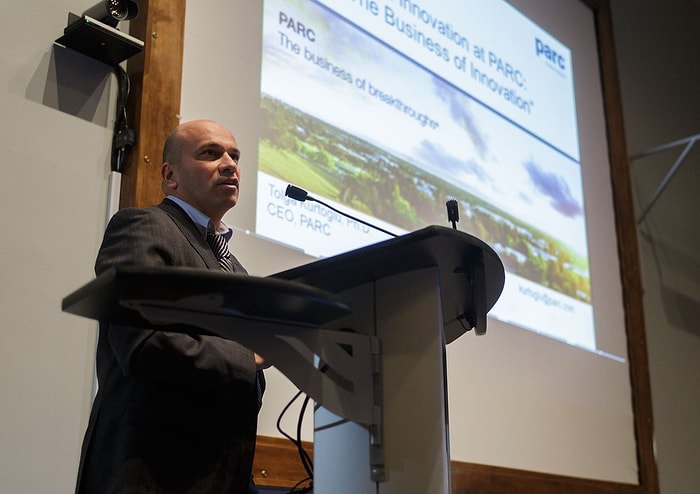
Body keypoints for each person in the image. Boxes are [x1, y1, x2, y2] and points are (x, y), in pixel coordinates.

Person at [75, 119, 267, 494]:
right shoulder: (144, 226)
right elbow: (143, 345)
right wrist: (252, 357)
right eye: (211, 153)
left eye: (235, 156)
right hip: (149, 476)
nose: (229, 164)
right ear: (170, 175)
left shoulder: (236, 269)